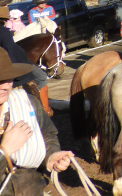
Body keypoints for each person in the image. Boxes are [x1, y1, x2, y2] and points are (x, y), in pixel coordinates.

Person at [0, 47, 73, 195]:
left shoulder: (28, 103)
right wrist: (4, 152)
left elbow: (48, 134)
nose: (6, 86)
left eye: (9, 78)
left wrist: (50, 156)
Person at [0, 8, 49, 115]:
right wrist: (17, 73)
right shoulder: (3, 32)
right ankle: (45, 110)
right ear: (4, 20)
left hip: (6, 66)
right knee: (41, 77)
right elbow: (10, 49)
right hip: (13, 65)